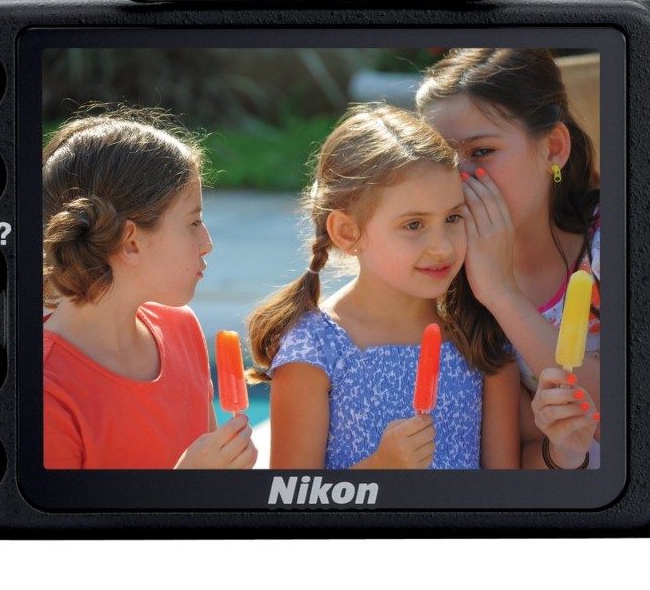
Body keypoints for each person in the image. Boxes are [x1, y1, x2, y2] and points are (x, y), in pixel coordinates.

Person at [247, 103, 520, 470]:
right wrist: (381, 466)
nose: (442, 246)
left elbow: (504, 490)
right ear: (347, 232)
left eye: (453, 217)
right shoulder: (314, 348)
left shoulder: (480, 336)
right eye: (414, 225)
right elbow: (294, 496)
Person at [417, 49, 601, 470]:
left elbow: (634, 414)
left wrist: (500, 293)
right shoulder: (439, 268)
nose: (459, 175)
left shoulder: (618, 240)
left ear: (553, 148)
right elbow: (516, 456)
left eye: (481, 151)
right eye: (441, 156)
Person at [42, 111, 257, 470]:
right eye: (193, 222)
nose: (207, 243)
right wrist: (184, 486)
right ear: (131, 243)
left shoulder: (182, 329)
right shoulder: (46, 390)